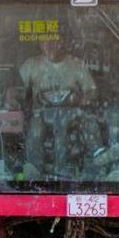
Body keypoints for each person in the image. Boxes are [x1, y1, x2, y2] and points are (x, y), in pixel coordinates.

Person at [19, 35, 102, 179]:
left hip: (72, 112)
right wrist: (15, 98)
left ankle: (98, 161)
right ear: (39, 43)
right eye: (45, 41)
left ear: (62, 42)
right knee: (35, 130)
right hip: (42, 113)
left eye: (54, 41)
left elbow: (92, 91)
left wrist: (81, 100)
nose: (50, 45)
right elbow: (17, 88)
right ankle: (34, 170)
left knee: (89, 121)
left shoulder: (76, 65)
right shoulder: (31, 65)